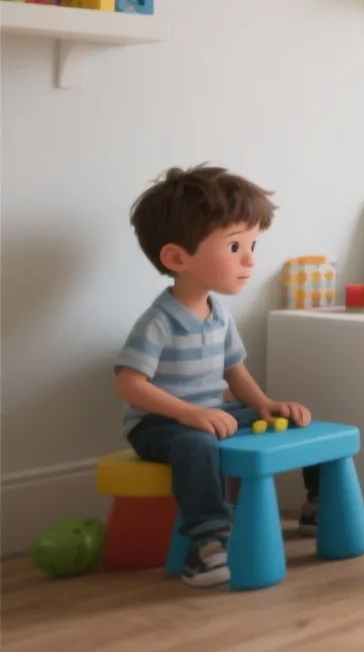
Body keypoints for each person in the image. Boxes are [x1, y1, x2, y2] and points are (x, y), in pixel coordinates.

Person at [113, 165, 317, 586]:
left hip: (209, 414)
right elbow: (129, 384)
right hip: (160, 426)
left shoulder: (219, 314)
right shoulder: (159, 322)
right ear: (177, 257)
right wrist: (188, 413)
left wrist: (263, 403)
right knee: (196, 443)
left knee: (291, 421)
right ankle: (206, 543)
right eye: (236, 246)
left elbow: (233, 369)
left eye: (253, 244)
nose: (250, 259)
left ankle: (318, 505)